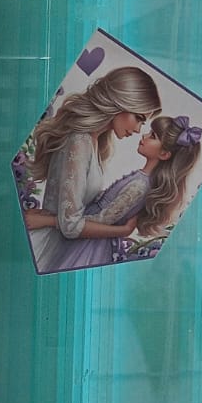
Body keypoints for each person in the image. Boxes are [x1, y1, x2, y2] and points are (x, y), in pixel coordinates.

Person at [22, 66, 162, 273]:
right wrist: (122, 230)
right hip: (46, 247)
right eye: (138, 118)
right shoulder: (80, 141)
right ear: (121, 102)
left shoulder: (96, 141)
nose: (138, 130)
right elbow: (70, 226)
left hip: (58, 245)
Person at [23, 114, 202, 271]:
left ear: (164, 154)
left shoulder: (139, 186)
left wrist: (50, 220)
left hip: (87, 244)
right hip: (83, 235)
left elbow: (101, 219)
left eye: (153, 136)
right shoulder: (141, 179)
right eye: (149, 132)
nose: (144, 136)